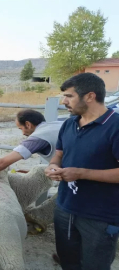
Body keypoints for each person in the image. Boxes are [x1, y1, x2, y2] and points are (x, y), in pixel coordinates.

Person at [45, 73, 119, 270]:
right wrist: (53, 165)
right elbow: (59, 153)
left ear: (90, 96)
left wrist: (81, 173)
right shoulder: (69, 124)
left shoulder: (115, 126)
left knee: (95, 266)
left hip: (100, 216)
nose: (64, 101)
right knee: (68, 262)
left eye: (69, 96)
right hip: (65, 208)